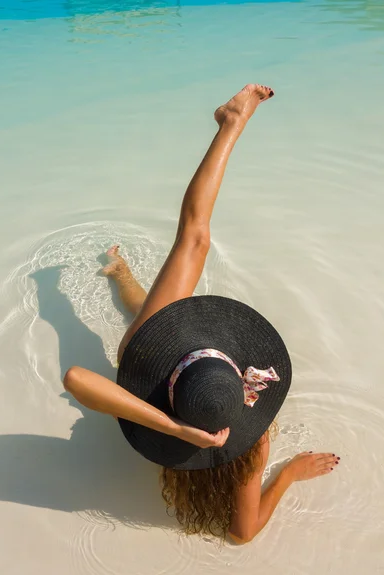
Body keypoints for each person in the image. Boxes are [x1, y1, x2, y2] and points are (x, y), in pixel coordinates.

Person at [63, 84, 340, 543]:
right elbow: (241, 533)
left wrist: (175, 427)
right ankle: (124, 278)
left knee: (190, 249)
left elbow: (75, 378)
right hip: (157, 399)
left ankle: (230, 122)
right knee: (160, 310)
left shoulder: (151, 384)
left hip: (149, 376)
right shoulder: (252, 444)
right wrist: (286, 474)